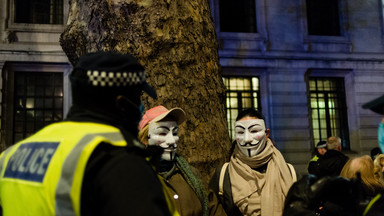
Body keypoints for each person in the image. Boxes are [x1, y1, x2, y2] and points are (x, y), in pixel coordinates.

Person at [0, 51, 178, 216]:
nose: (141, 107)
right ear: (122, 104)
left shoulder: (10, 157)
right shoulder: (118, 162)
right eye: (137, 97)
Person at [138, 105, 227, 216]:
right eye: (162, 133)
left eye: (174, 133)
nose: (172, 140)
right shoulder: (134, 180)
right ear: (145, 139)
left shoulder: (193, 177)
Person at [209, 108, 297, 216]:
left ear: (267, 134)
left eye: (254, 131)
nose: (247, 139)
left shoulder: (288, 172)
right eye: (241, 132)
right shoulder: (224, 174)